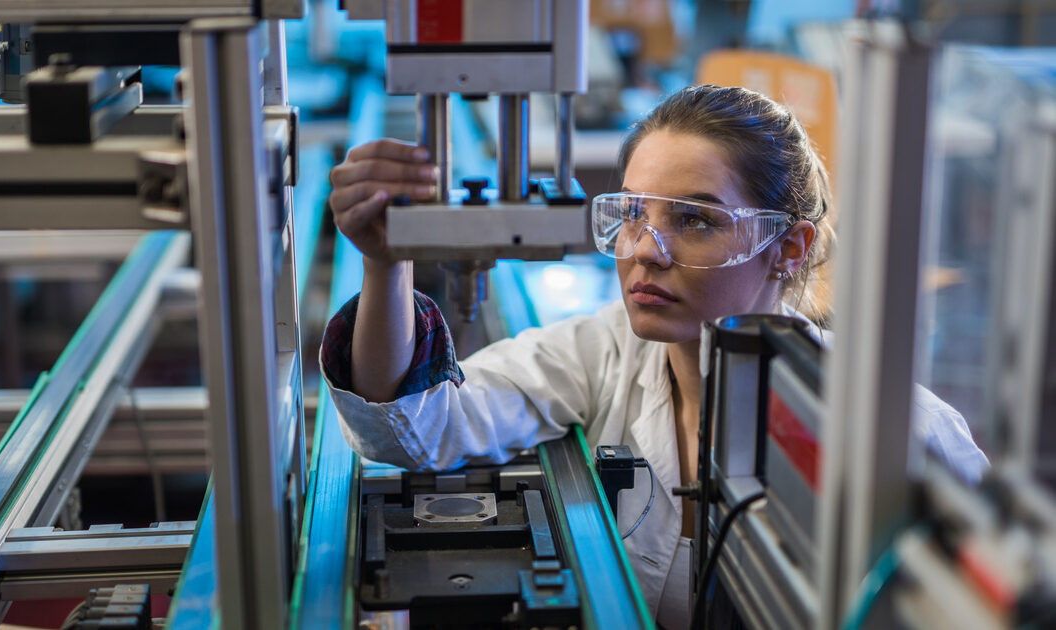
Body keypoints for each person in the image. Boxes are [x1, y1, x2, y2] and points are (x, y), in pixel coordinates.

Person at [320, 85, 987, 628]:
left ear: (786, 248)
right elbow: (414, 427)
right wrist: (386, 264)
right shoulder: (605, 352)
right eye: (634, 215)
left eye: (693, 221)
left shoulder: (908, 437)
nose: (645, 249)